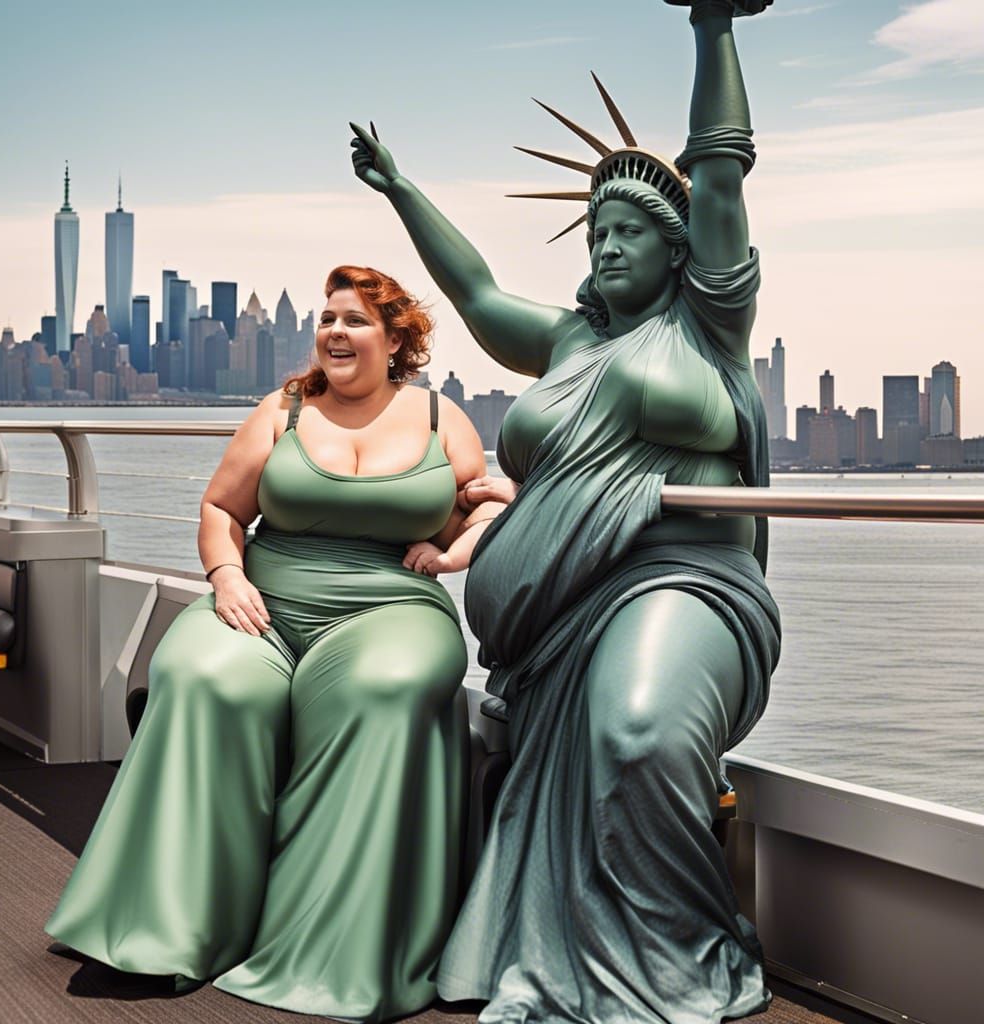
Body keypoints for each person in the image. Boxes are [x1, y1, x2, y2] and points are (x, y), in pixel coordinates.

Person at [350, 2, 782, 1021]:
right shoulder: (565, 343)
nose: (611, 245)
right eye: (598, 232)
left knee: (636, 730)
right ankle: (568, 957)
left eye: (632, 230)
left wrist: (711, 23)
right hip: (554, 617)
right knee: (597, 739)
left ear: (681, 253)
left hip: (686, 578)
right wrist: (402, 189)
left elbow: (718, 168)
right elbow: (472, 287)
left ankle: (672, 956)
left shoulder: (708, 325)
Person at [46, 265, 499, 1021]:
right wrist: (225, 575)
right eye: (326, 318)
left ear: (396, 339)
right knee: (198, 675)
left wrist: (461, 545)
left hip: (389, 607)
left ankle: (326, 945)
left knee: (382, 690)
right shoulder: (281, 410)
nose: (334, 331)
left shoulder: (440, 419)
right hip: (267, 600)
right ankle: (162, 933)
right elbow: (222, 508)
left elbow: (470, 516)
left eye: (354, 319)